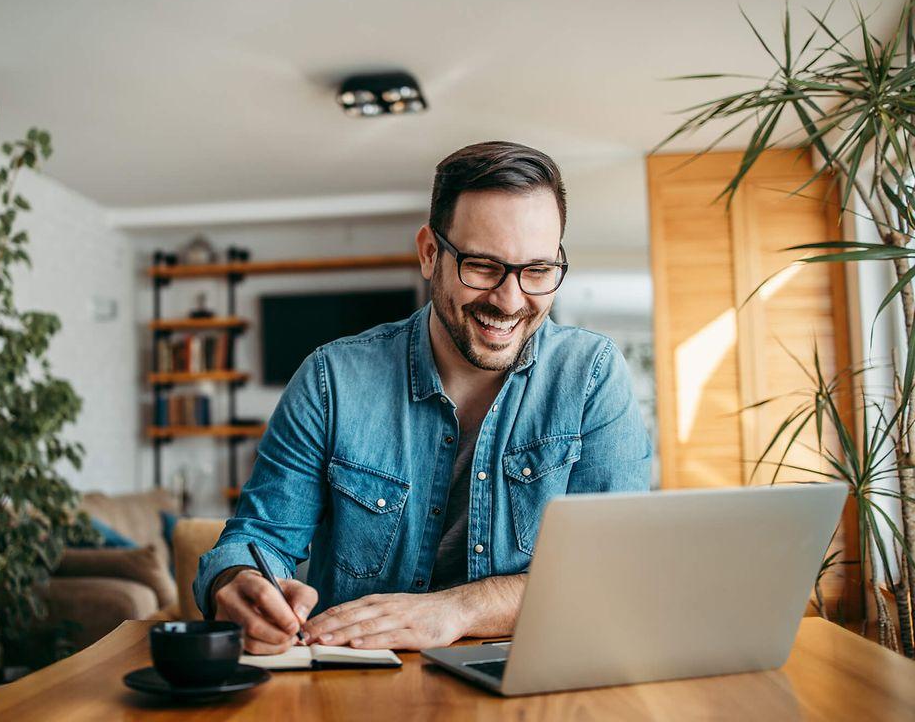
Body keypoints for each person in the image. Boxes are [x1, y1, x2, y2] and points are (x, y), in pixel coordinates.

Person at [193, 141, 652, 655]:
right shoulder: (331, 380)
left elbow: (613, 570)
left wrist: (458, 610)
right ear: (430, 253)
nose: (510, 300)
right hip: (359, 678)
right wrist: (237, 582)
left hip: (530, 675)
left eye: (539, 271)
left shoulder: (591, 375)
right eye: (483, 266)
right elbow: (258, 539)